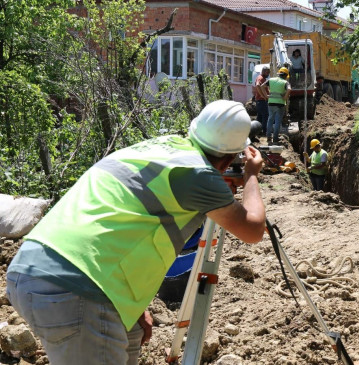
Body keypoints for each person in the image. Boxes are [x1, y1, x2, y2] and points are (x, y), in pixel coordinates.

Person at [5, 100, 266, 365]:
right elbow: (253, 230)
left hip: (31, 268)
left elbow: (120, 224)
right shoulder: (198, 174)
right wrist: (251, 176)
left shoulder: (159, 148)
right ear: (230, 158)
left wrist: (134, 308)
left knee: (132, 333)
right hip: (75, 289)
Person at [266, 67, 291, 145]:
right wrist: (285, 97)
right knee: (277, 121)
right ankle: (275, 138)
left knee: (270, 120)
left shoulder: (271, 80)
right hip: (280, 104)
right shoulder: (285, 82)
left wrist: (265, 95)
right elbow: (289, 89)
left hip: (271, 103)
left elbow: (261, 86)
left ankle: (268, 136)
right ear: (286, 75)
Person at [254, 65, 270, 135]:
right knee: (265, 115)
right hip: (261, 100)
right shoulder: (260, 78)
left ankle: (257, 131)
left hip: (260, 101)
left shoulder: (262, 78)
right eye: (267, 72)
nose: (268, 74)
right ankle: (264, 131)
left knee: (260, 117)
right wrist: (263, 96)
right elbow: (257, 85)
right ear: (263, 71)